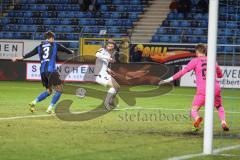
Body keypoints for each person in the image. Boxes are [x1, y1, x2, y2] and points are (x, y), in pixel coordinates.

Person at [159, 44, 229, 131]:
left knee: (194, 110)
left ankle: (197, 120)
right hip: (216, 87)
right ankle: (223, 122)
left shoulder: (195, 61)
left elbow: (183, 72)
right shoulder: (213, 61)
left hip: (203, 89)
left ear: (197, 52)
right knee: (219, 106)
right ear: (205, 51)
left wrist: (168, 79)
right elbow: (220, 75)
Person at [12, 31, 74, 114]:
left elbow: (28, 55)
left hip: (42, 72)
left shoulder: (39, 46)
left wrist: (17, 58)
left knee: (49, 91)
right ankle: (50, 108)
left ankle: (34, 102)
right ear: (51, 37)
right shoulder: (55, 44)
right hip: (51, 71)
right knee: (59, 89)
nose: (54, 39)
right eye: (53, 38)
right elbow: (68, 51)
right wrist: (72, 51)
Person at [94, 39, 120, 110]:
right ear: (106, 46)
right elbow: (96, 54)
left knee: (117, 87)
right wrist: (109, 58)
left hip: (105, 73)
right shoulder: (102, 50)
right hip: (99, 75)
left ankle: (111, 101)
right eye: (109, 46)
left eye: (112, 46)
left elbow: (104, 65)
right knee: (114, 86)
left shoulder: (109, 54)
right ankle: (106, 103)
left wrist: (109, 70)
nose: (110, 47)